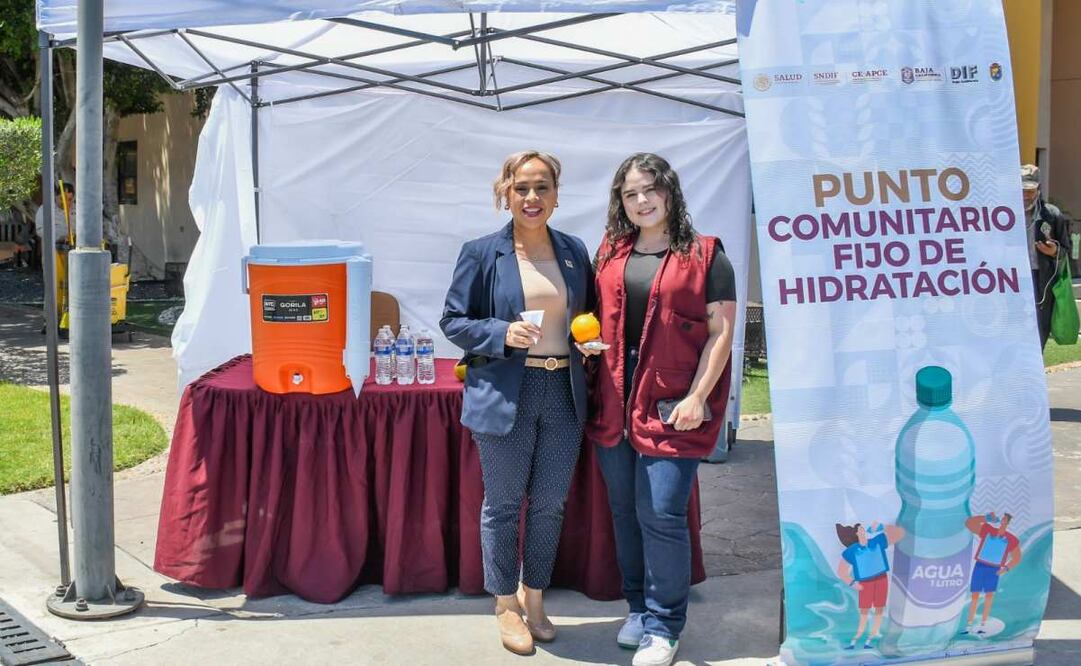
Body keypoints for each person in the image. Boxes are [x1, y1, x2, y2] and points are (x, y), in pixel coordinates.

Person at [580, 153, 737, 666]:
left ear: (670, 192)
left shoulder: (707, 254)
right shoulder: (611, 252)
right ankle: (638, 608)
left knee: (663, 513)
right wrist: (588, 345)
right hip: (615, 398)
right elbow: (597, 317)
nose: (642, 200)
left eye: (651, 189)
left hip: (673, 401)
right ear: (620, 201)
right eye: (630, 193)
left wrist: (697, 397)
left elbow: (721, 334)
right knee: (625, 512)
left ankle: (666, 624)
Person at [440, 150, 593, 656]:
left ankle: (536, 596)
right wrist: (502, 331)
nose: (532, 197)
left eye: (542, 187)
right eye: (522, 187)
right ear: (506, 192)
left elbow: (586, 317)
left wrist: (588, 342)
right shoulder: (483, 252)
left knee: (550, 504)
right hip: (507, 391)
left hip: (563, 392)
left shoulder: (573, 251)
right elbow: (454, 321)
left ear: (556, 193)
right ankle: (506, 603)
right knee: (503, 506)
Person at [834, 521, 905, 650]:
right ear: (856, 533)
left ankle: (870, 640)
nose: (863, 531)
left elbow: (900, 533)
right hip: (865, 583)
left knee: (879, 610)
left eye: (863, 529)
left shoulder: (877, 541)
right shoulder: (852, 551)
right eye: (860, 529)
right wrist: (853, 584)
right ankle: (855, 641)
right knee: (864, 612)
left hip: (881, 579)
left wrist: (882, 527)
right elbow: (841, 571)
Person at [1023, 164, 1071, 349]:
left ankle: (1033, 374)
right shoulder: (1004, 214)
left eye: (1030, 191)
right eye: (1022, 190)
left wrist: (1054, 251)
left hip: (1041, 280)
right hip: (1012, 279)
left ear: (1038, 189)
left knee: (1039, 330)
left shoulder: (1051, 214)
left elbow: (1066, 248)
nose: (1026, 196)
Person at [962, 512, 1022, 635]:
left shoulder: (1011, 539)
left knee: (989, 597)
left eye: (1006, 520)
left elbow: (1017, 558)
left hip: (994, 569)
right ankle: (969, 625)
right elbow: (969, 523)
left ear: (1008, 522)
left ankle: (983, 626)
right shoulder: (988, 530)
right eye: (1002, 519)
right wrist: (986, 518)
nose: (1003, 522)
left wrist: (1005, 568)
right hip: (980, 565)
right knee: (975, 596)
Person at [33, 182, 75, 252]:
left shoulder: (78, 210)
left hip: (74, 254)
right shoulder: (46, 209)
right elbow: (40, 230)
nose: (66, 203)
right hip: (53, 253)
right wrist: (59, 236)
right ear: (56, 196)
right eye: (62, 199)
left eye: (69, 199)